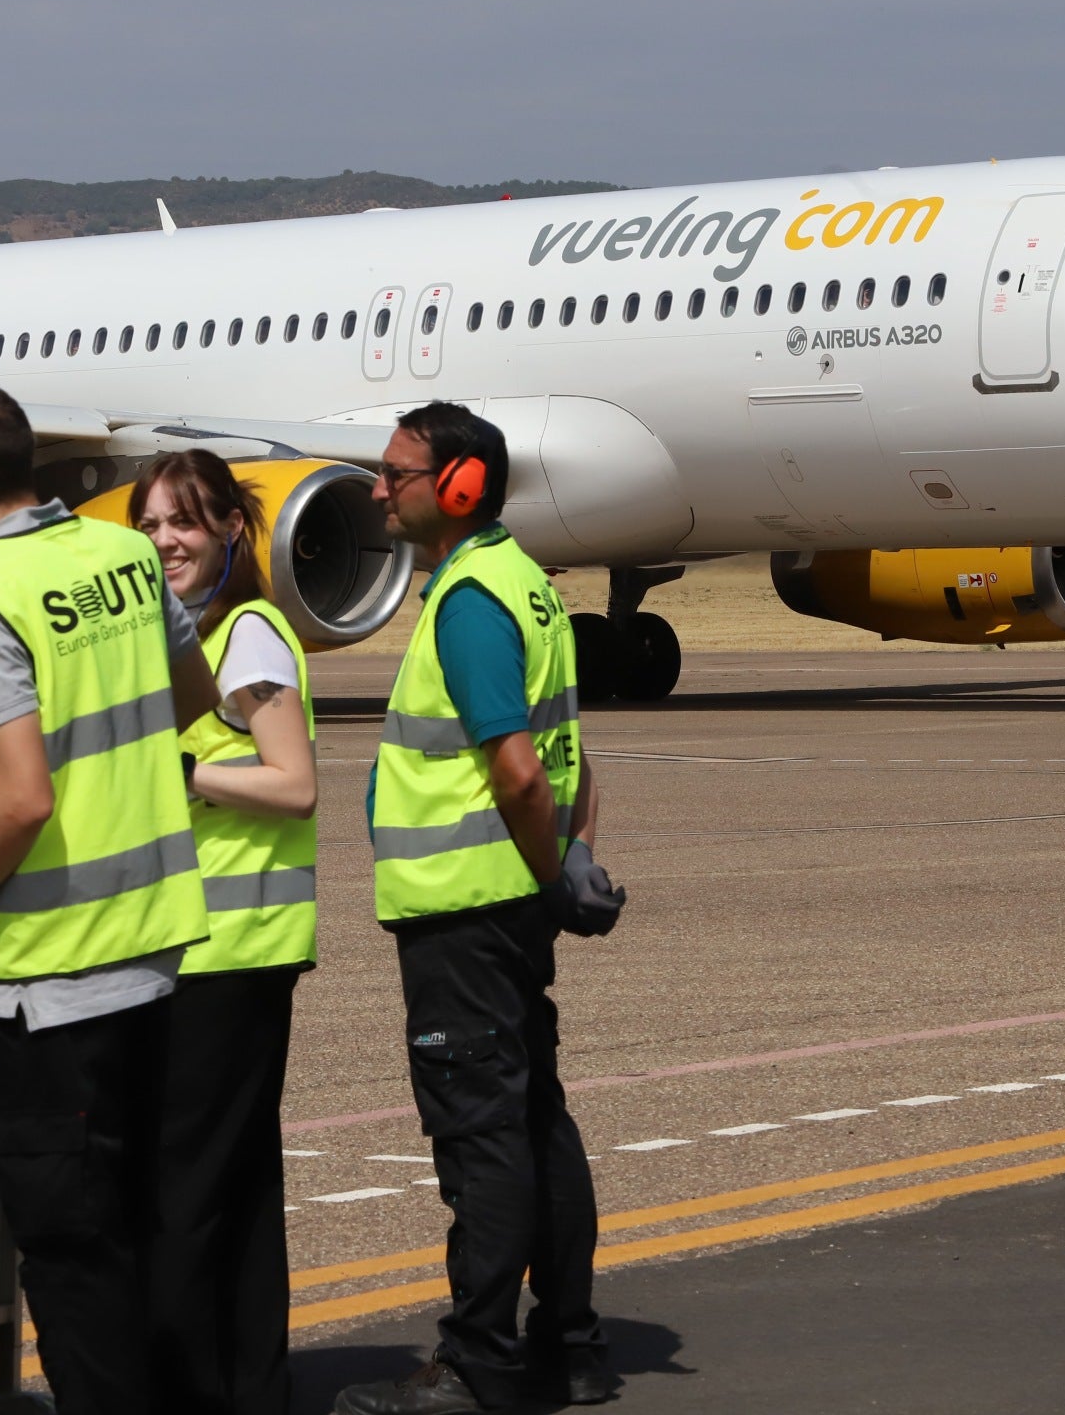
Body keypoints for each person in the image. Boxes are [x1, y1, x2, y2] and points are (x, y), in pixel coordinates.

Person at [0, 384, 219, 1415]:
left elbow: (22, 799)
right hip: (161, 949)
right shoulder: (124, 553)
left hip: (55, 977)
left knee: (71, 1256)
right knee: (148, 1231)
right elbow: (192, 696)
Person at [336, 401, 613, 1415]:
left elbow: (518, 770)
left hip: (466, 907)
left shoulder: (468, 602)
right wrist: (572, 865)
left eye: (395, 472)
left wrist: (550, 870)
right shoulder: (526, 586)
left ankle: (477, 1362)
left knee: (482, 1132)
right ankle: (571, 1341)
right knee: (536, 1113)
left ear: (456, 487)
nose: (378, 488)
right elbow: (573, 760)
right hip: (509, 903)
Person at [133, 450, 320, 1415]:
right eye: (154, 524)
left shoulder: (245, 635)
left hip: (225, 955)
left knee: (186, 1197)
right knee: (240, 1191)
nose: (167, 540)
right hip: (229, 950)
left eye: (186, 523)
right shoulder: (199, 639)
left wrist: (182, 778)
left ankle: (190, 1392)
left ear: (231, 533)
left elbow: (294, 785)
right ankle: (253, 1389)